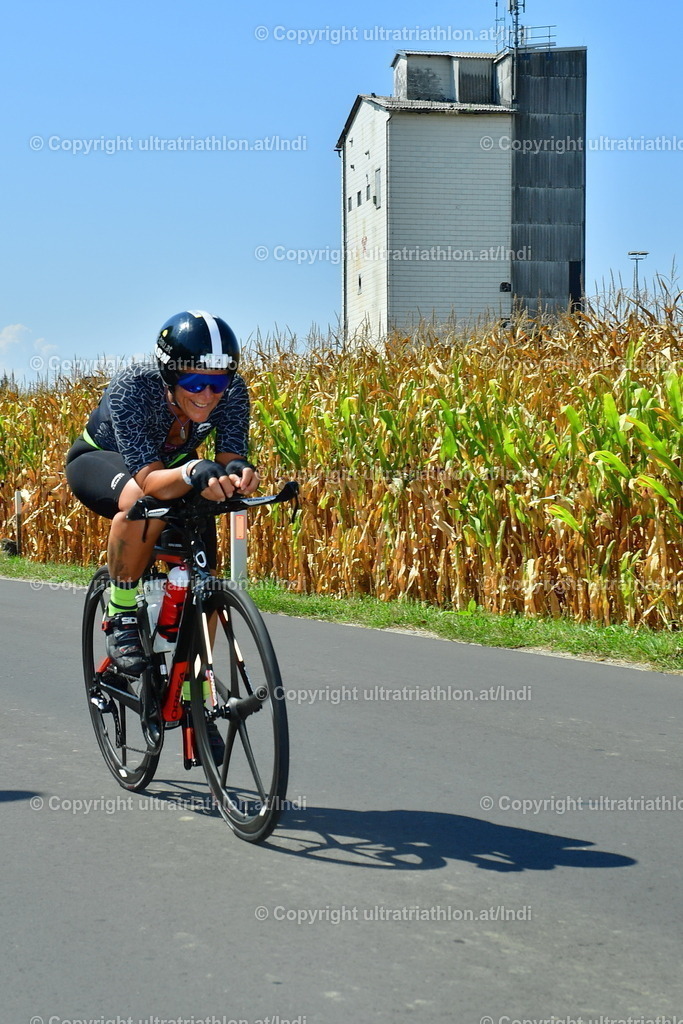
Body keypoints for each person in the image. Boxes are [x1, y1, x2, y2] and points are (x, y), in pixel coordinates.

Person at [66, 309, 259, 676]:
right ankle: (121, 613)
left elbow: (231, 454)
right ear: (170, 375)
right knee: (144, 502)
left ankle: (197, 694)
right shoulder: (134, 387)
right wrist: (191, 470)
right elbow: (150, 479)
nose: (208, 395)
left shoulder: (233, 392)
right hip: (105, 460)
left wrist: (240, 472)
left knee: (207, 578)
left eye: (218, 384)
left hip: (178, 466)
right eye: (195, 382)